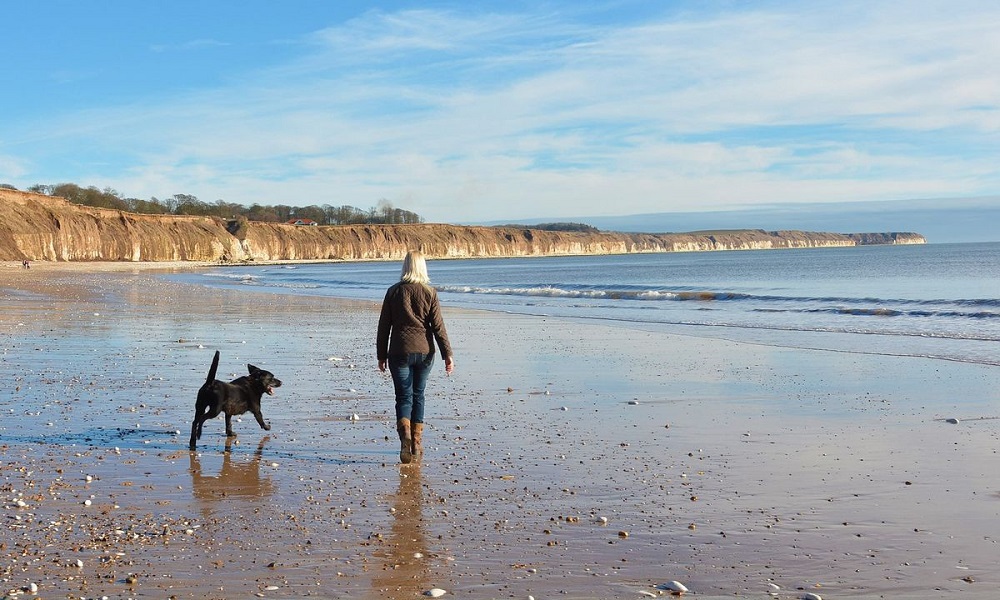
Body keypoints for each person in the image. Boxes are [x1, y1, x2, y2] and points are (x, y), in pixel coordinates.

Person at [377, 250, 454, 464]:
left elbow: (384, 327)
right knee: (418, 395)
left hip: (399, 351)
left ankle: (405, 438)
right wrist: (448, 354)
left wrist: (380, 355)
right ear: (423, 267)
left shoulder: (393, 292)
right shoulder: (430, 292)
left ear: (405, 267)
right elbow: (438, 327)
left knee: (403, 397)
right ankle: (416, 442)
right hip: (425, 351)